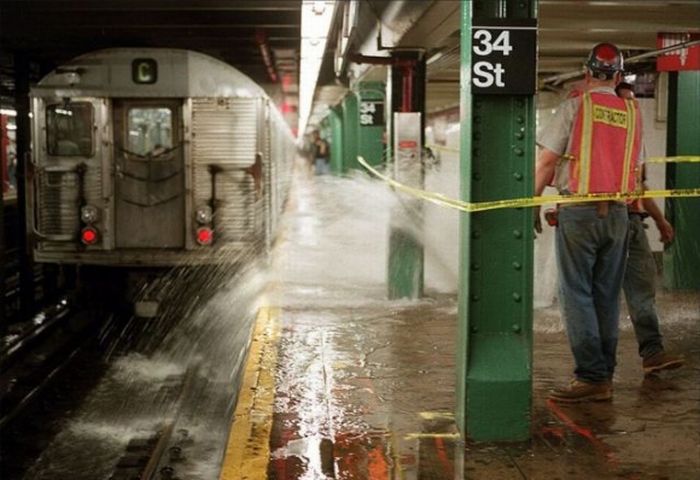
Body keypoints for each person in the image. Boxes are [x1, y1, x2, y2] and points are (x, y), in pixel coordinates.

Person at [535, 43, 642, 403]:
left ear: (586, 72)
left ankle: (592, 376)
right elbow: (637, 169)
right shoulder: (632, 112)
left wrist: (530, 204)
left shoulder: (575, 107)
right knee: (606, 295)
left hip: (579, 211)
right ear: (617, 75)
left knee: (575, 292)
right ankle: (603, 374)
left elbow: (546, 163)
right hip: (617, 214)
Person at [615, 82, 685, 374]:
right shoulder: (602, 131)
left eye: (633, 101)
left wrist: (659, 219)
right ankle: (595, 369)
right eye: (625, 101)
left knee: (642, 288)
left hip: (631, 220)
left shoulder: (635, 135)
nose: (630, 107)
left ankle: (652, 352)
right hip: (601, 218)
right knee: (598, 295)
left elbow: (639, 185)